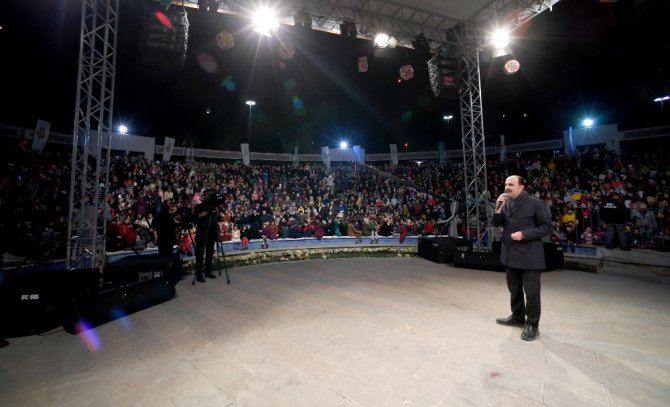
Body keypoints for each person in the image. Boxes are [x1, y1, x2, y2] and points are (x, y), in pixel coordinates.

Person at [492, 175, 552, 341]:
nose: (507, 187)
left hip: (529, 255)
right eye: (505, 184)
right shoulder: (506, 203)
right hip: (510, 254)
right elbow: (496, 223)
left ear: (521, 187)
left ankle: (532, 324)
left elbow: (547, 227)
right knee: (514, 289)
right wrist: (498, 207)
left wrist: (524, 234)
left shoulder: (536, 204)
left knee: (531, 293)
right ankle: (517, 316)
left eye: (511, 184)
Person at [193, 190, 220, 283]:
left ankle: (208, 272)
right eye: (208, 195)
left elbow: (218, 219)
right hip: (201, 233)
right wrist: (200, 215)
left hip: (211, 234)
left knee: (210, 254)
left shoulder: (214, 207)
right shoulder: (199, 207)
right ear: (204, 196)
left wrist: (217, 211)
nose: (210, 197)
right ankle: (199, 274)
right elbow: (193, 218)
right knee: (199, 254)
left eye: (211, 196)